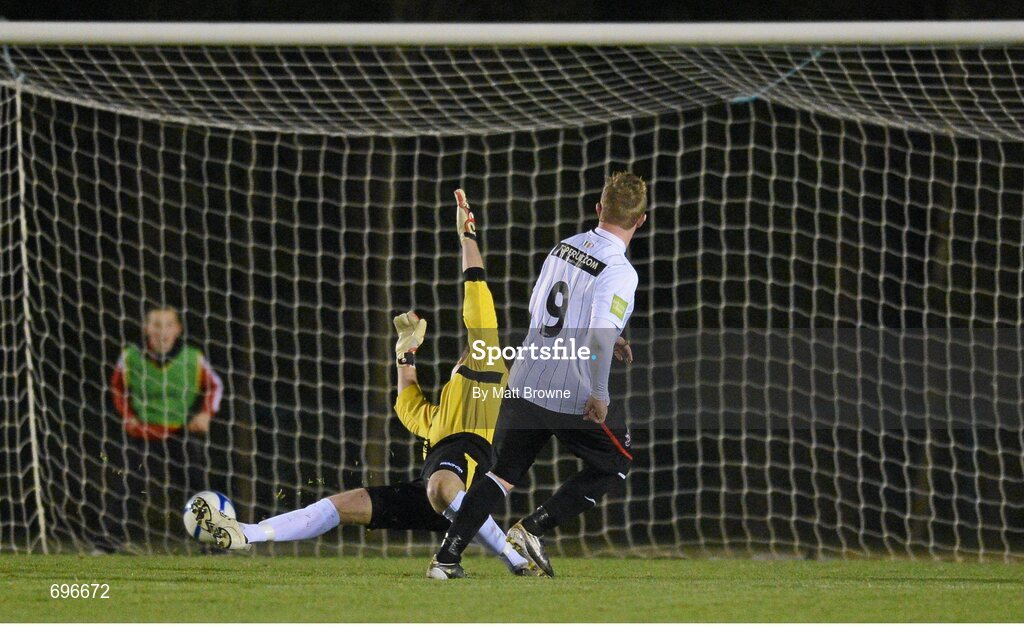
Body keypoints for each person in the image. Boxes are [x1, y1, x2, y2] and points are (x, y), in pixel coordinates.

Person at [192, 190, 538, 576]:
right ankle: (247, 532)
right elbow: (409, 407)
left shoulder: (488, 371)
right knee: (341, 504)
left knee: (441, 482)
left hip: (464, 467)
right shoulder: (447, 409)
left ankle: (511, 559)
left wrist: (467, 237)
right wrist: (404, 357)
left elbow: (477, 297)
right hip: (434, 481)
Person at [427, 172, 645, 579]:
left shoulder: (564, 247)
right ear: (641, 220)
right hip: (571, 390)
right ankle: (534, 529)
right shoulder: (621, 270)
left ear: (599, 209)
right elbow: (596, 337)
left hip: (526, 377)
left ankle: (446, 559)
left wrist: (608, 337)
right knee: (616, 461)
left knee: (500, 474)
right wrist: (600, 392)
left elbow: (540, 311)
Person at [105, 306, 223, 548]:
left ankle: (213, 544)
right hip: (143, 434)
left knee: (198, 486)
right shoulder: (130, 357)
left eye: (169, 325)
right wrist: (128, 416)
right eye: (157, 325)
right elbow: (117, 388)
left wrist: (205, 414)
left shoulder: (193, 357)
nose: (162, 331)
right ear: (147, 329)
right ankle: (106, 543)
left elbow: (215, 386)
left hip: (180, 433)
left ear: (178, 329)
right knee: (127, 487)